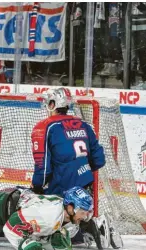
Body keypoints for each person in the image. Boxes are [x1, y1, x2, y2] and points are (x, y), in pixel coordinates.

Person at [30, 87, 107, 249]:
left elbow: (43, 168)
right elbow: (99, 160)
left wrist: (36, 186)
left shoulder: (44, 127)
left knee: (39, 216)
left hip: (61, 185)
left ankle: (70, 234)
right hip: (85, 184)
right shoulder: (84, 125)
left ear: (52, 104)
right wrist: (81, 169)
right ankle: (88, 225)